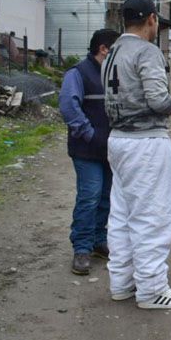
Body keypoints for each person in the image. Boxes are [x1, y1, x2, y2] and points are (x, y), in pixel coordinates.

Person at [101, 0, 171, 310]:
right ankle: (152, 289)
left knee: (122, 214)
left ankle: (122, 283)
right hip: (145, 142)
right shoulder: (146, 51)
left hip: (118, 139)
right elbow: (158, 100)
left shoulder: (112, 51)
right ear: (152, 18)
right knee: (152, 216)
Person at [59, 28, 120, 275]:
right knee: (90, 196)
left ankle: (98, 241)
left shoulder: (113, 74)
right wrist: (90, 134)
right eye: (116, 49)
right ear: (104, 49)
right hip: (87, 149)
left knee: (107, 197)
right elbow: (68, 106)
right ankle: (81, 248)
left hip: (111, 148)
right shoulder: (78, 73)